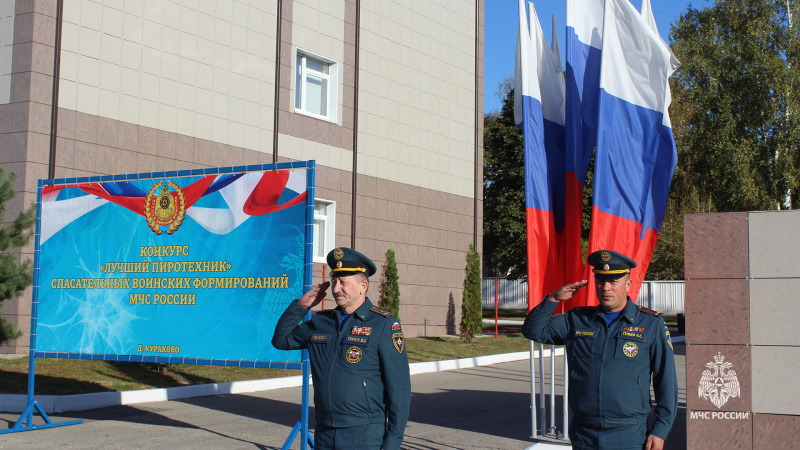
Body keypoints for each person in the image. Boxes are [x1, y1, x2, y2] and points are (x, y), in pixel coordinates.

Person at [522, 250, 678, 450]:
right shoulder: (577, 320)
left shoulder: (650, 324)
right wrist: (552, 299)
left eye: (613, 281)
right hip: (584, 432)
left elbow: (666, 381)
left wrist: (661, 429)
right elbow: (533, 331)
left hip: (629, 433)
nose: (606, 288)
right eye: (600, 281)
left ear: (628, 284)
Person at [272, 247, 411, 450]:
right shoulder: (321, 322)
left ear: (363, 286)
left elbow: (400, 390)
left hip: (365, 435)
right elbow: (281, 340)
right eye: (334, 282)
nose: (336, 289)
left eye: (343, 282)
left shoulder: (383, 325)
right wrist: (301, 306)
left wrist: (392, 442)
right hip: (324, 433)